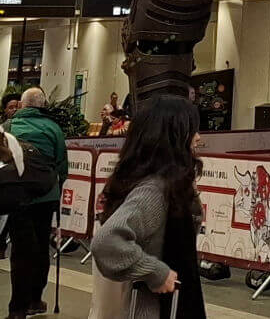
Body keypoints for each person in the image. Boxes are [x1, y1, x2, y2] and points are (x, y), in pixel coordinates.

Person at [91, 95, 206, 319]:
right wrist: (156, 272)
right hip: (156, 309)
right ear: (174, 136)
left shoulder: (161, 183)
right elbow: (106, 242)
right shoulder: (155, 190)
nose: (198, 138)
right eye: (192, 131)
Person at [6, 87, 68, 319]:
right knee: (41, 247)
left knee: (21, 251)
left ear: (21, 106)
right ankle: (35, 300)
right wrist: (55, 191)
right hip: (46, 196)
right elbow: (62, 167)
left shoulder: (8, 127)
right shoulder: (54, 129)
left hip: (17, 197)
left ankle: (17, 309)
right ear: (43, 107)